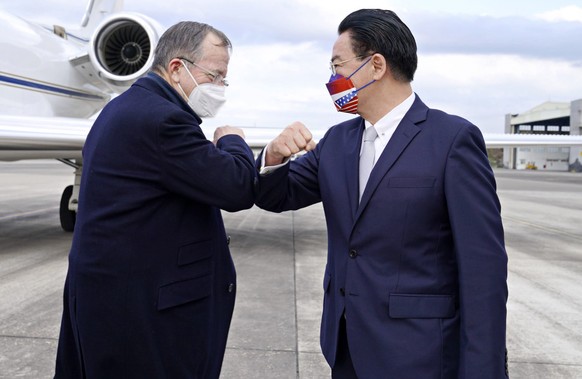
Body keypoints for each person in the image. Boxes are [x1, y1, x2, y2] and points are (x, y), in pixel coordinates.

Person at [256, 9, 508, 379]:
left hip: (419, 354)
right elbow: (277, 196)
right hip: (345, 349)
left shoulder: (452, 140)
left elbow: (483, 269)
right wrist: (274, 156)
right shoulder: (337, 142)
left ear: (376, 65)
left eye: (338, 66)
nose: (332, 79)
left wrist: (483, 371)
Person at [54, 21, 257, 378]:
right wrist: (232, 141)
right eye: (215, 76)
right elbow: (237, 187)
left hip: (108, 302)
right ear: (177, 69)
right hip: (142, 317)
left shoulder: (121, 109)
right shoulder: (164, 121)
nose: (220, 88)